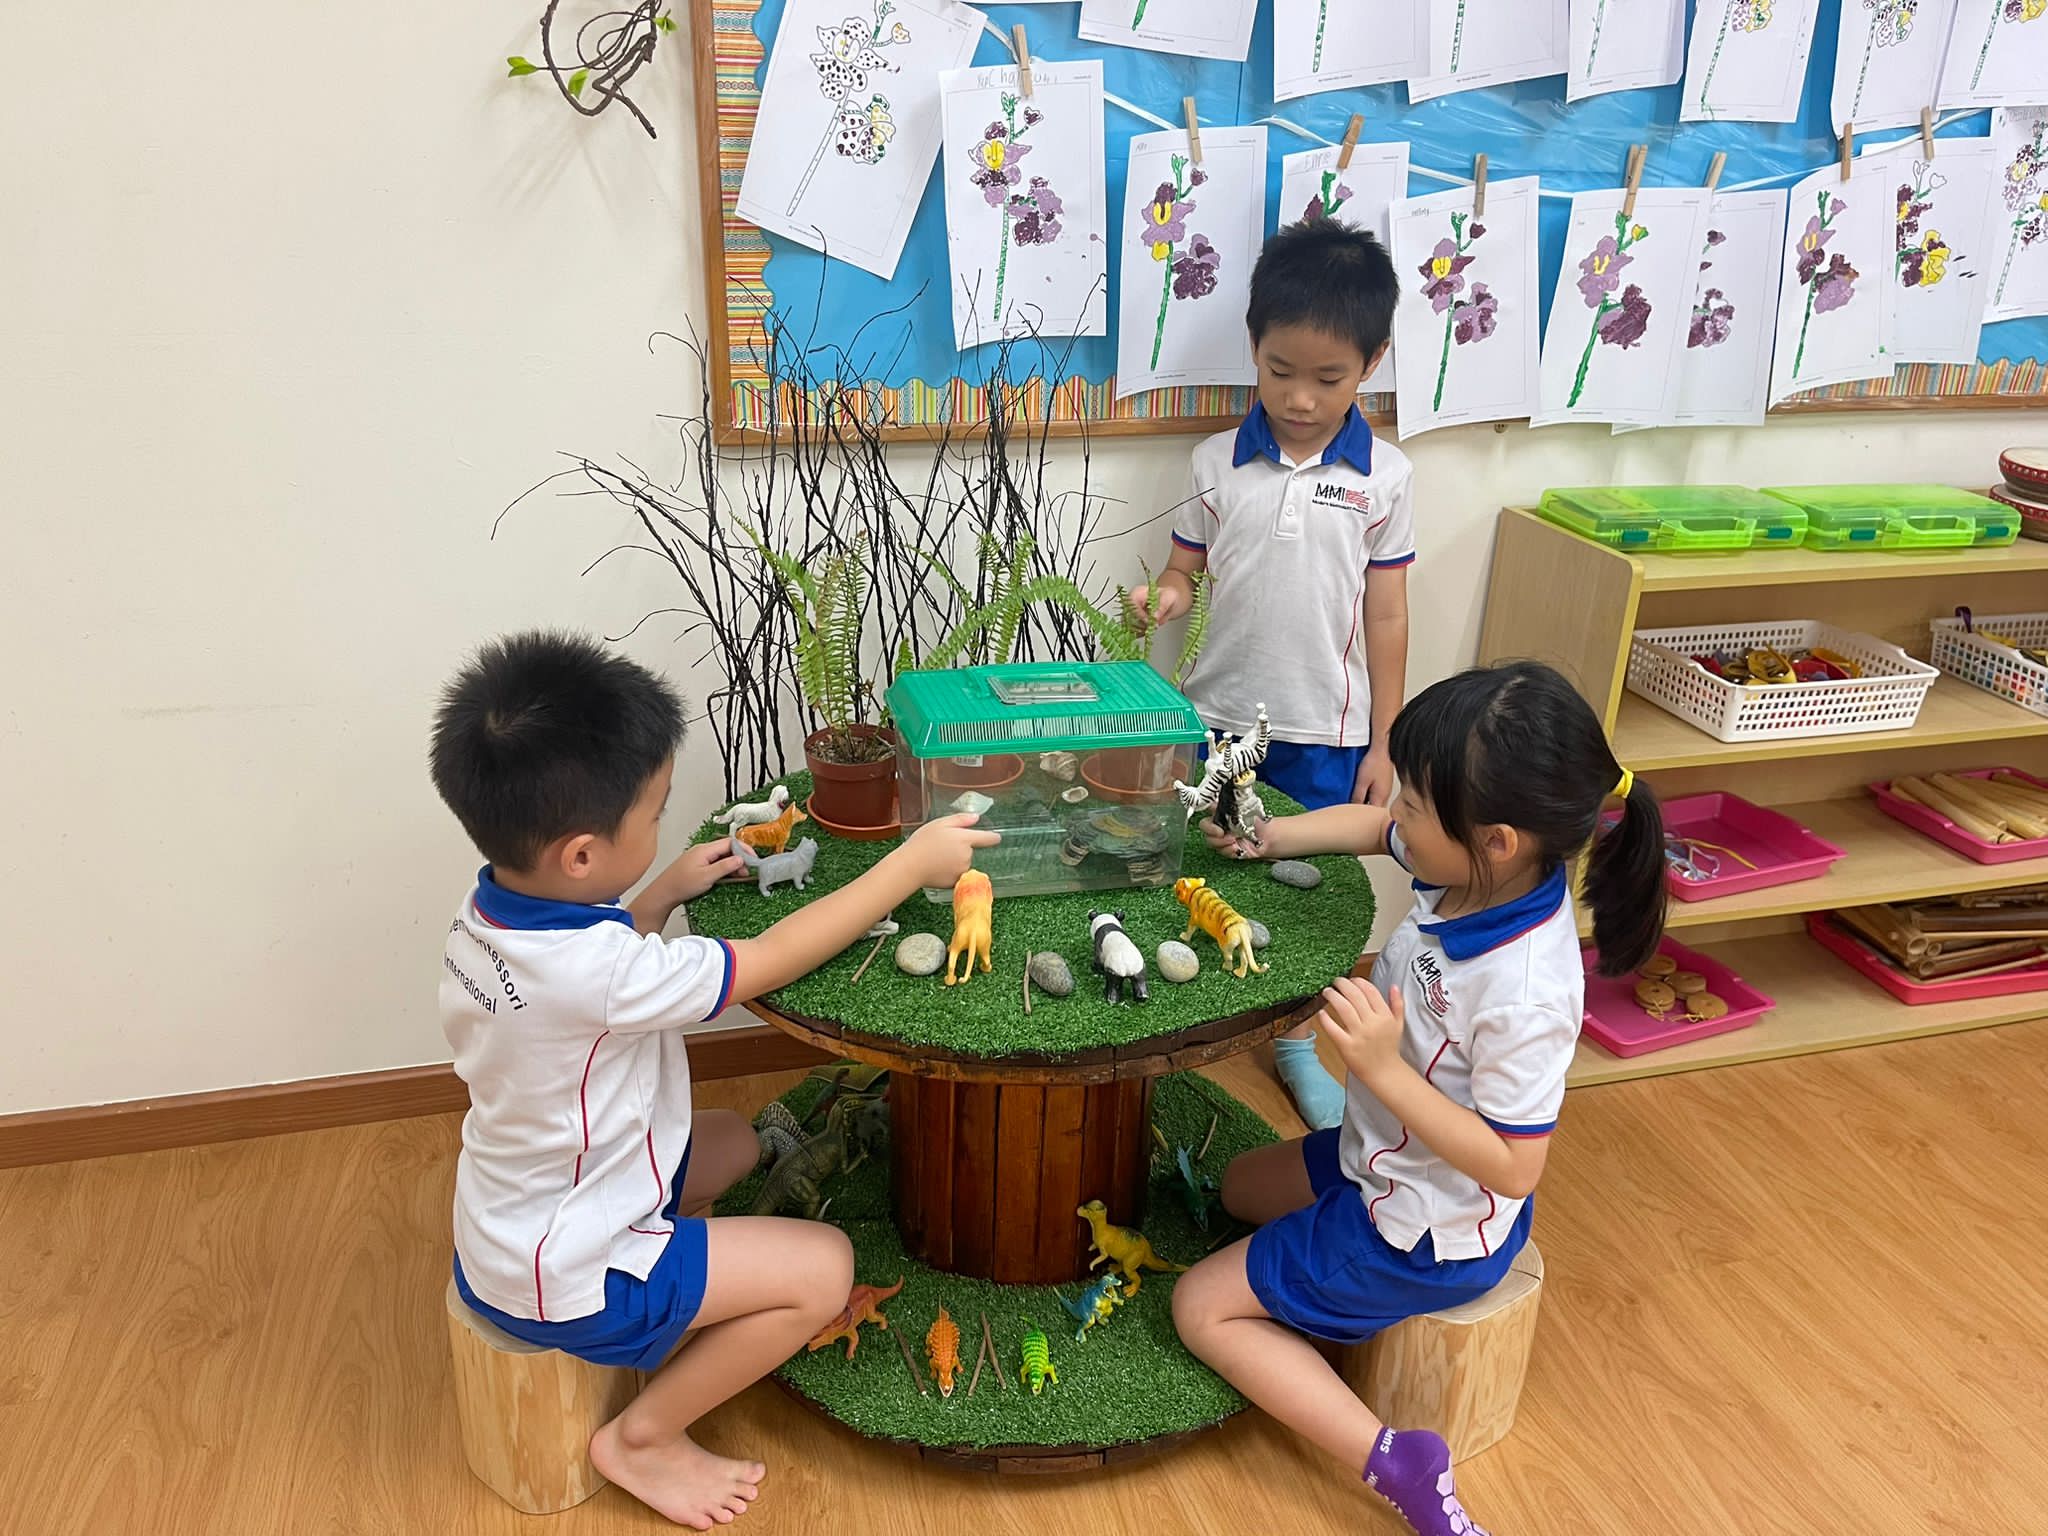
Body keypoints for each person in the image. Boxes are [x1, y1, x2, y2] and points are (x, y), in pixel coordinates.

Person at [429, 631, 995, 1528]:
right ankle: (643, 1437)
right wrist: (909, 866)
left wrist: (655, 893)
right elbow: (767, 957)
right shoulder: (601, 974)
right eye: (653, 814)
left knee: (731, 1142)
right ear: (581, 856)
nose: (663, 824)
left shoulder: (487, 912)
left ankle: (680, 1292)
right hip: (574, 1275)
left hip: (516, 1217)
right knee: (827, 1268)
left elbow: (586, 977)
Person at [1170, 662, 1666, 1536]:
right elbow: (1372, 828)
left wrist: (1382, 1069)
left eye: (1412, 802)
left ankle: (1397, 1461)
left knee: (1198, 1307)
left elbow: (1515, 1165)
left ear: (1496, 839)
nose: (1393, 810)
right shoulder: (1476, 869)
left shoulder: (1525, 991)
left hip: (1418, 1230)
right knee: (1237, 1188)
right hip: (1382, 1158)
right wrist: (1269, 838)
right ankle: (1315, 1295)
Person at [1129, 215, 1413, 1133]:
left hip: (1325, 731)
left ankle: (1294, 1040)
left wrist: (1385, 743)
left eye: (1327, 378)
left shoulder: (1386, 478)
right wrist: (1163, 598)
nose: (1299, 397)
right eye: (1280, 370)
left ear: (1370, 364)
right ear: (1253, 347)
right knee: (1205, 867)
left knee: (1309, 891)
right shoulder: (1215, 462)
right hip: (1215, 721)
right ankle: (1189, 1016)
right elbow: (1184, 573)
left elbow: (1388, 614)